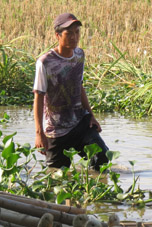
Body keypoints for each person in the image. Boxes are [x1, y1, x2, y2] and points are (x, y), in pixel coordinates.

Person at [33, 13, 109, 171]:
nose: (74, 37)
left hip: (79, 122)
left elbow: (79, 86)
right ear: (58, 35)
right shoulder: (45, 62)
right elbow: (38, 97)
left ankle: (93, 189)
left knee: (102, 158)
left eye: (77, 32)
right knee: (56, 175)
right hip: (55, 131)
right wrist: (39, 133)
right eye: (69, 33)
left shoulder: (79, 55)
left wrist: (91, 115)